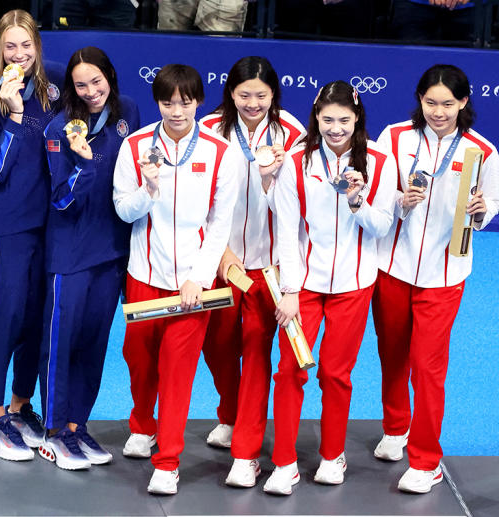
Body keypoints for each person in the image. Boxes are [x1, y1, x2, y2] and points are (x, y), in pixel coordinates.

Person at [264, 81, 397, 495]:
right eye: (327, 120)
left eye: (343, 120)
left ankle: (332, 454)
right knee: (288, 370)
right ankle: (284, 462)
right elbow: (286, 228)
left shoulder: (380, 159)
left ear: (357, 119)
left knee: (336, 374)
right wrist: (289, 289)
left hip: (355, 285)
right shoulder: (296, 161)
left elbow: (382, 227)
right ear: (316, 118)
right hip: (303, 285)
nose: (335, 128)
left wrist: (358, 201)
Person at [113, 64, 240, 495]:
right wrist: (147, 190)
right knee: (139, 359)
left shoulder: (222, 153)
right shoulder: (133, 147)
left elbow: (220, 225)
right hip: (143, 274)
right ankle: (143, 426)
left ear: (198, 102)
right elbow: (122, 212)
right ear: (158, 102)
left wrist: (199, 278)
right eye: (168, 101)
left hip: (193, 282)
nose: (176, 110)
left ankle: (167, 461)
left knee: (177, 370)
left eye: (185, 101)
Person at [372, 64, 497, 494]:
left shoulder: (482, 152)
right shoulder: (393, 138)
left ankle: (426, 461)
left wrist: (481, 211)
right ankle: (395, 428)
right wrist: (398, 200)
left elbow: (488, 209)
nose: (438, 112)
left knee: (427, 368)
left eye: (447, 103)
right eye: (430, 103)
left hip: (444, 275)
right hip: (391, 266)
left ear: (464, 102)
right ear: (419, 100)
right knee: (392, 355)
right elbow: (375, 196)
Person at [198, 56, 305, 487]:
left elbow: (300, 204)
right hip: (220, 260)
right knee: (218, 346)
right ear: (230, 93)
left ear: (274, 95)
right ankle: (232, 413)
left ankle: (246, 453)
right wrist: (220, 253)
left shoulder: (294, 133)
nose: (253, 103)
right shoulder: (206, 129)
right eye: (244, 95)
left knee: (257, 353)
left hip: (270, 266)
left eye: (261, 95)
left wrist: (284, 261)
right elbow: (195, 199)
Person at [38, 46, 140, 470]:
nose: (91, 90)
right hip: (70, 251)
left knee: (95, 345)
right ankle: (54, 428)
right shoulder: (58, 128)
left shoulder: (128, 112)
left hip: (112, 250)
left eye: (97, 81)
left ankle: (78, 424)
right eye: (81, 84)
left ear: (110, 78)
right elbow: (60, 199)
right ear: (71, 88)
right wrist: (81, 165)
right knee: (62, 343)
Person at [0, 9, 63, 461]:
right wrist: (14, 114)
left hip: (52, 222)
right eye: (11, 46)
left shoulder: (56, 86)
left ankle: (22, 405)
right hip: (8, 223)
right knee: (3, 315)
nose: (20, 55)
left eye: (27, 46)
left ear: (38, 47)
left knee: (37, 318)